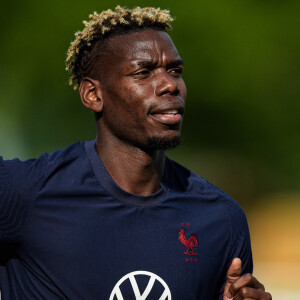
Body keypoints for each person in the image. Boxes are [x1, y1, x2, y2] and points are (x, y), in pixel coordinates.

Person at [0, 6, 271, 300]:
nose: (170, 85)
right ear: (93, 95)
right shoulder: (24, 192)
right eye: (143, 72)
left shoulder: (221, 219)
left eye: (175, 71)